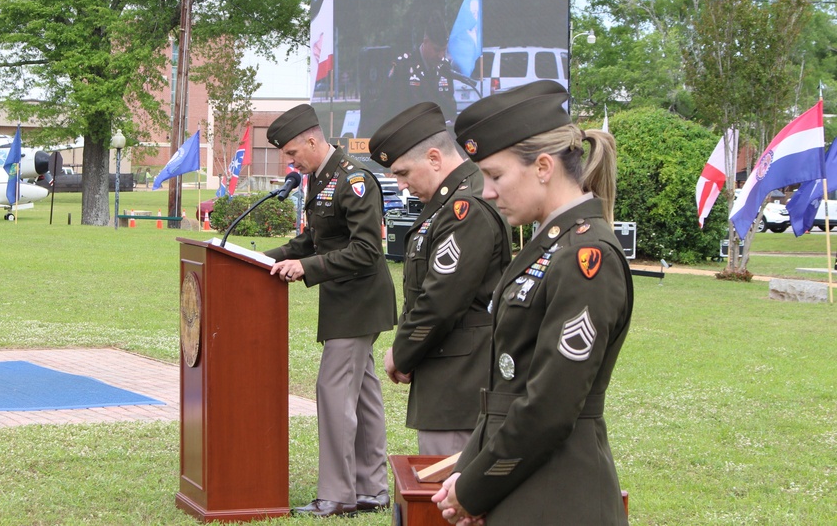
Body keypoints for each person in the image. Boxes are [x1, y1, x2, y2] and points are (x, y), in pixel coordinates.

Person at [433, 80, 633, 526]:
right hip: (526, 484)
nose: (486, 191)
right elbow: (508, 392)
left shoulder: (587, 257)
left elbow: (549, 406)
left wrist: (475, 487)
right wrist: (468, 468)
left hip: (557, 495)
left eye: (496, 175)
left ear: (543, 167)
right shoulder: (549, 246)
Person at [263, 104, 397, 518]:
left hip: (358, 301)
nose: (290, 161)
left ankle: (338, 494)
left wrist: (305, 268)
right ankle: (373, 488)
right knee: (363, 396)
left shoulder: (354, 179)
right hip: (345, 301)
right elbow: (314, 241)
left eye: (291, 153)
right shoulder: (321, 179)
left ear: (311, 139)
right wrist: (257, 259)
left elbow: (365, 250)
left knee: (334, 391)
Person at [368, 102, 511, 456]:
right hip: (447, 373)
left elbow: (440, 301)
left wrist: (401, 354)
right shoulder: (447, 205)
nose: (401, 185)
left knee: (447, 495)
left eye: (403, 173)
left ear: (434, 158)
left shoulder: (466, 208)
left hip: (461, 381)